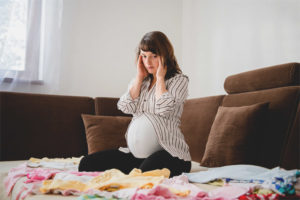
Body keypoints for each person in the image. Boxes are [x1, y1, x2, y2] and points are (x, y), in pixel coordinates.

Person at [79, 31, 191, 177]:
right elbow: (125, 106)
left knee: (145, 173)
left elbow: (163, 108)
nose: (148, 62)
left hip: (171, 154)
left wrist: (160, 78)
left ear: (165, 56)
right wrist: (139, 78)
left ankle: (139, 171)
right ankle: (136, 170)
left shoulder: (179, 80)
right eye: (144, 56)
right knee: (87, 164)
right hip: (136, 156)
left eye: (154, 56)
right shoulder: (140, 83)